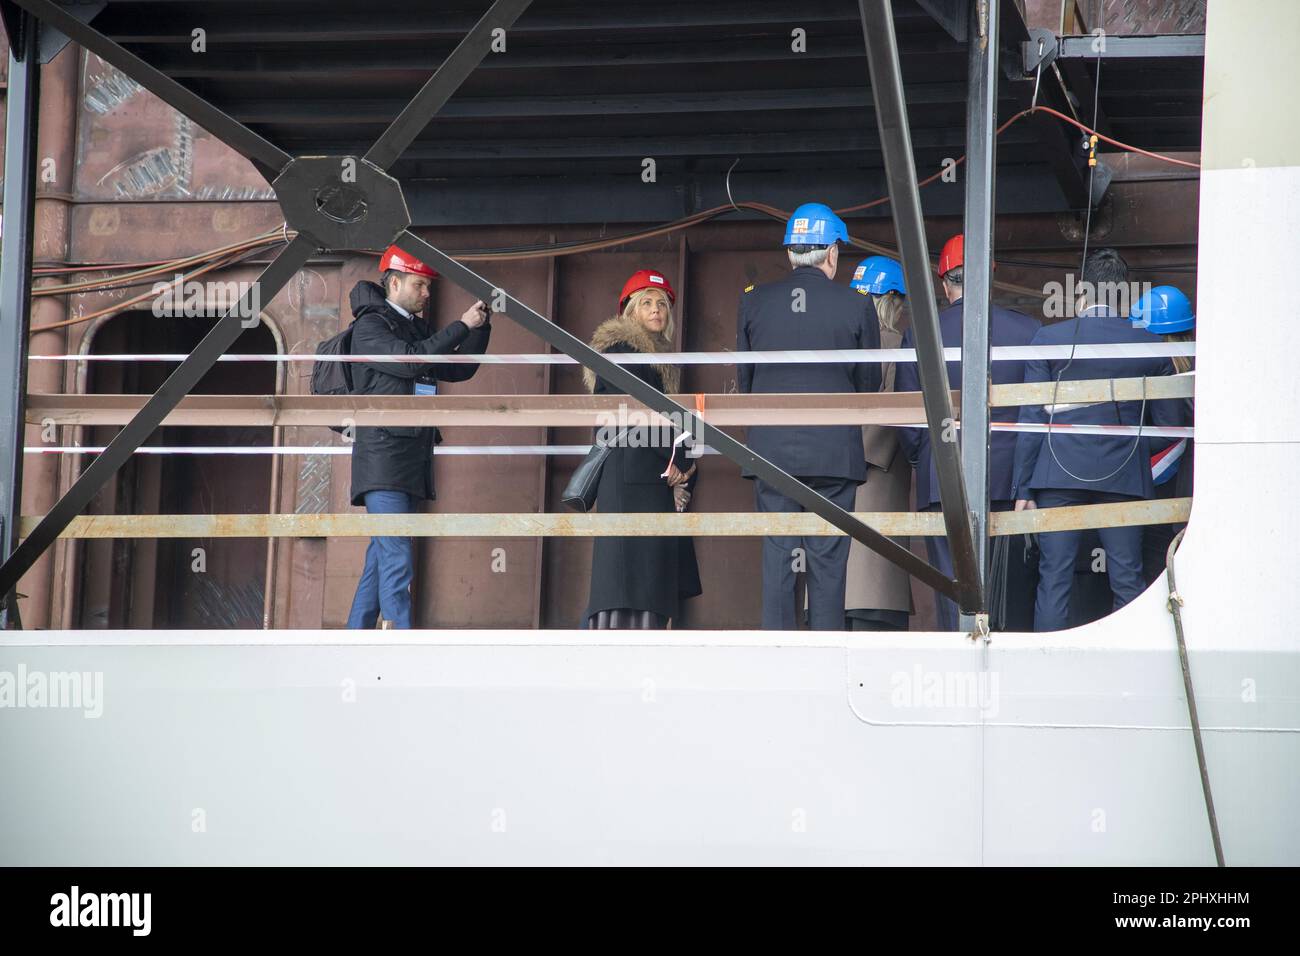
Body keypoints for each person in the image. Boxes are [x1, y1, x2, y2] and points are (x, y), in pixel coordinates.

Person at [1012, 249, 1186, 631]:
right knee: (1127, 576)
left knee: (1054, 576)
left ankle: (1048, 663)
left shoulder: (1048, 338)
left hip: (1056, 475)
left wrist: (1023, 487)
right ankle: (1134, 665)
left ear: (1081, 293)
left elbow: (1031, 419)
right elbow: (1170, 424)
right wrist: (1132, 452)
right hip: (1123, 477)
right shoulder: (1150, 345)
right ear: (1123, 294)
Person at [737, 203, 881, 630]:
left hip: (770, 452)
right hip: (834, 453)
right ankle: (826, 651)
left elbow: (745, 383)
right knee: (829, 561)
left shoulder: (755, 302)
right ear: (832, 253)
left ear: (790, 253)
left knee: (779, 554)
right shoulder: (856, 305)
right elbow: (868, 385)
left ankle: (778, 654)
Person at [894, 234, 1041, 631]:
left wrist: (925, 456)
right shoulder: (1027, 330)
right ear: (989, 279)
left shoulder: (922, 332)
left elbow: (908, 415)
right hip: (1009, 481)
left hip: (942, 478)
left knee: (952, 593)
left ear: (945, 285)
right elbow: (1036, 409)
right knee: (1004, 593)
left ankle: (954, 678)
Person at [346, 245, 493, 629]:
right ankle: (401, 642)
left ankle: (354, 636)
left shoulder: (414, 328)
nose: (427, 294)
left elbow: (458, 369)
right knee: (396, 556)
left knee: (382, 557)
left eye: (428, 286)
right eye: (419, 285)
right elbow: (412, 360)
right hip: (383, 457)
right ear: (394, 283)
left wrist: (481, 326)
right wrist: (460, 325)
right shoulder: (370, 327)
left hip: (409, 457)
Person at [582, 269, 701, 629]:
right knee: (632, 577)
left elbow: (673, 417)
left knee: (640, 576)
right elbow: (637, 413)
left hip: (643, 475)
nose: (656, 309)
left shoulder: (655, 356)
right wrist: (679, 461)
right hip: (630, 475)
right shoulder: (623, 349)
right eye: (646, 302)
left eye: (661, 303)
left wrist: (685, 467)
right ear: (631, 311)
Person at [843, 256, 914, 630]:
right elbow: (895, 418)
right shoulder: (899, 345)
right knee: (874, 594)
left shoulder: (837, 343)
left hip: (836, 478)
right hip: (877, 478)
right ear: (891, 299)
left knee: (838, 591)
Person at [1130, 285, 1196, 583]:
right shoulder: (1198, 371)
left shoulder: (1157, 371)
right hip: (1189, 489)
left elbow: (1166, 432)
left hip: (1160, 487)